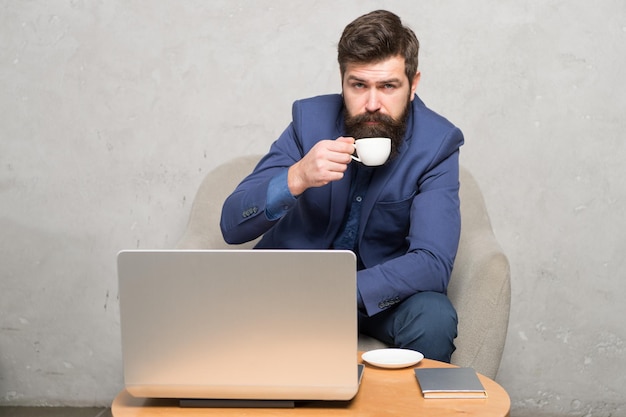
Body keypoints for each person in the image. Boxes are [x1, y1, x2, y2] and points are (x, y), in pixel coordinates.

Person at [220, 10, 463, 362]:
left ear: (414, 84)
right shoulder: (310, 121)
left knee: (434, 315)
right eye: (359, 85)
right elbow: (231, 224)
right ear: (343, 80)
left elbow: (433, 262)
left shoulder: (437, 144)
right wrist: (297, 177)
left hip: (378, 299)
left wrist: (340, 291)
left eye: (388, 86)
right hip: (293, 291)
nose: (372, 104)